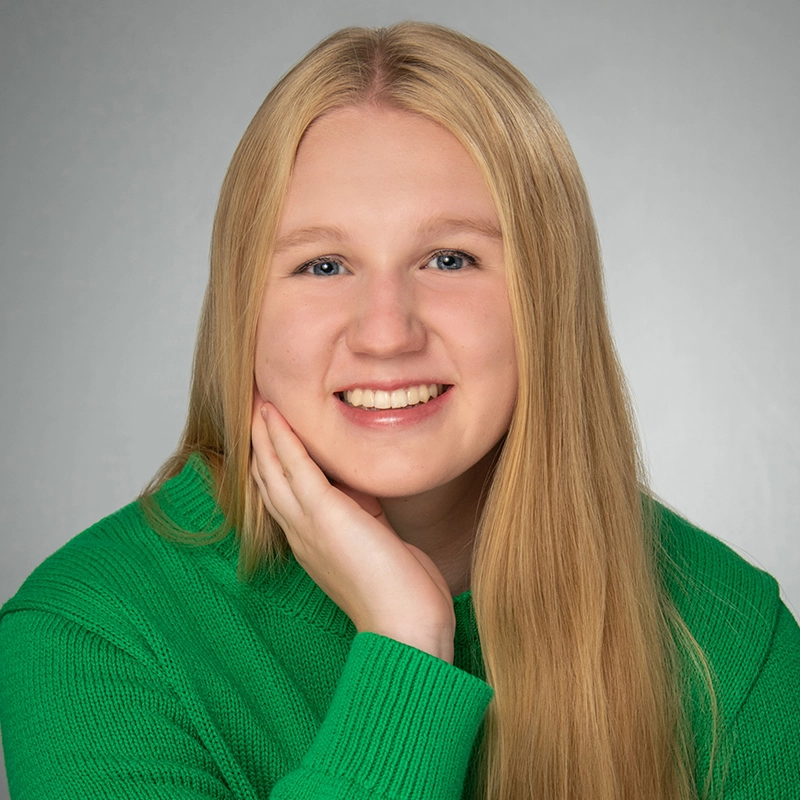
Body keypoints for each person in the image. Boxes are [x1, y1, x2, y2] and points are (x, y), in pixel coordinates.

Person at [0, 21, 798, 800]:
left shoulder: (725, 634)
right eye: (323, 263)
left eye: (450, 258)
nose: (386, 332)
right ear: (245, 312)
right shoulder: (93, 635)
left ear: (547, 303)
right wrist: (405, 652)